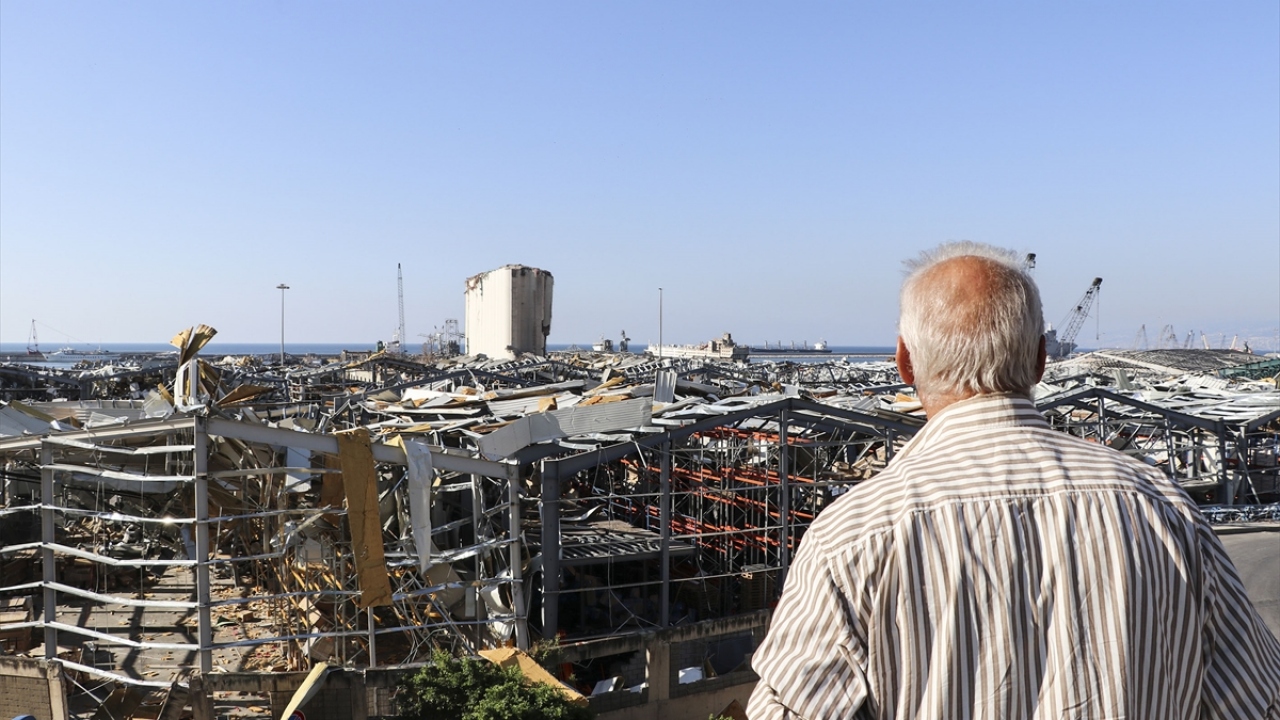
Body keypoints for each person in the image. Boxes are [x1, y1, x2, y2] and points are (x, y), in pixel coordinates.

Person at [747, 242, 1280, 719]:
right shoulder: (1162, 507)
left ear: (905, 362)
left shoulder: (850, 537)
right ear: (1041, 360)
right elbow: (1259, 700)